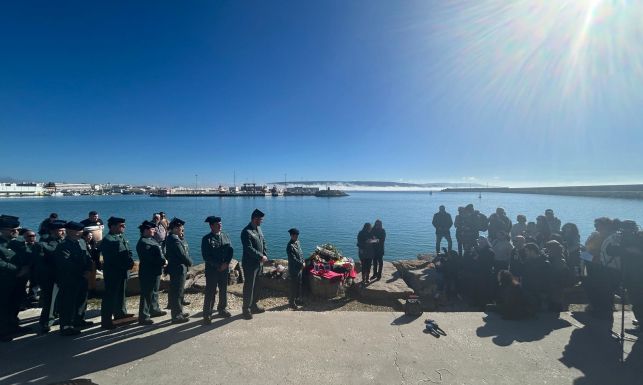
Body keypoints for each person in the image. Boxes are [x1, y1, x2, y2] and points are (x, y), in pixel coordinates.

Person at [54, 221, 93, 336]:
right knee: (68, 303)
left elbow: (88, 257)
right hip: (70, 278)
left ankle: (78, 320)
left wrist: (88, 270)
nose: (81, 232)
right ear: (70, 231)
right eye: (78, 230)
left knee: (82, 300)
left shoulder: (81, 242)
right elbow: (66, 263)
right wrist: (82, 272)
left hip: (82, 277)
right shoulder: (63, 245)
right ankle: (66, 326)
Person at [100, 217, 135, 330]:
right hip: (113, 273)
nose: (124, 227)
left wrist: (129, 263)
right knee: (110, 297)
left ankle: (120, 314)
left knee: (121, 294)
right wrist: (126, 265)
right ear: (113, 226)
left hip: (122, 272)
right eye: (121, 225)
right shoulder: (108, 240)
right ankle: (106, 321)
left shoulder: (120, 237)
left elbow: (127, 251)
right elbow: (113, 259)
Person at [0, 215, 29, 341]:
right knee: (3, 306)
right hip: (4, 280)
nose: (17, 232)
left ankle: (13, 325)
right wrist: (17, 269)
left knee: (15, 304)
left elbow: (27, 255)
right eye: (14, 230)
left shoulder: (17, 243)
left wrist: (26, 267)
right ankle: (2, 331)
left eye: (18, 229)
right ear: (4, 230)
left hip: (19, 280)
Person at [201, 216, 233, 324]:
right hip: (212, 270)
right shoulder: (207, 239)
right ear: (211, 226)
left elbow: (230, 251)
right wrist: (219, 265)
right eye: (217, 224)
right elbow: (206, 257)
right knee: (210, 292)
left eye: (220, 223)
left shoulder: (225, 236)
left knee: (223, 290)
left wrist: (227, 263)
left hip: (224, 270)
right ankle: (207, 314)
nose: (220, 225)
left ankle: (222, 309)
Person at [36, 219, 66, 333]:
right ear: (53, 231)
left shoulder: (63, 241)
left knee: (58, 300)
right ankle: (45, 322)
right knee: (50, 301)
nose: (63, 232)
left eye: (64, 230)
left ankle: (56, 316)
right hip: (50, 277)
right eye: (60, 230)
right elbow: (41, 263)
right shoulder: (45, 243)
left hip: (62, 275)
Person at [136, 220, 167, 325]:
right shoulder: (144, 242)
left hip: (156, 271)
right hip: (148, 272)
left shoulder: (151, 239)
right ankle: (143, 316)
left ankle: (154, 310)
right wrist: (163, 262)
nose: (154, 231)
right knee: (146, 294)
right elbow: (150, 259)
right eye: (152, 229)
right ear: (146, 230)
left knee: (154, 292)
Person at [240, 209, 268, 320]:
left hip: (259, 264)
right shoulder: (246, 232)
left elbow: (263, 242)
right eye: (260, 220)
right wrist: (261, 257)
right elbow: (248, 248)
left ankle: (254, 305)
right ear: (254, 219)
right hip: (250, 264)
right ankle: (246, 308)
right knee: (249, 287)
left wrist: (264, 254)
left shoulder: (259, 229)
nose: (261, 221)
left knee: (257, 285)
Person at [166, 217, 192, 324]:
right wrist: (190, 262)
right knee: (177, 292)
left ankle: (179, 311)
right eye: (181, 227)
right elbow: (181, 254)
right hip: (177, 269)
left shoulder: (174, 237)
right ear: (175, 228)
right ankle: (176, 316)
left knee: (179, 291)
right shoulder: (174, 238)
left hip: (178, 268)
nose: (182, 229)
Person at [286, 228, 305, 309]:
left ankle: (298, 299)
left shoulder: (297, 242)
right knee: (293, 286)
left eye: (297, 235)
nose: (296, 237)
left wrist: (303, 261)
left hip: (299, 268)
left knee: (299, 285)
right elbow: (292, 259)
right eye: (295, 235)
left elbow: (301, 253)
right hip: (294, 269)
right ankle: (291, 302)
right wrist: (301, 263)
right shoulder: (289, 246)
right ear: (291, 235)